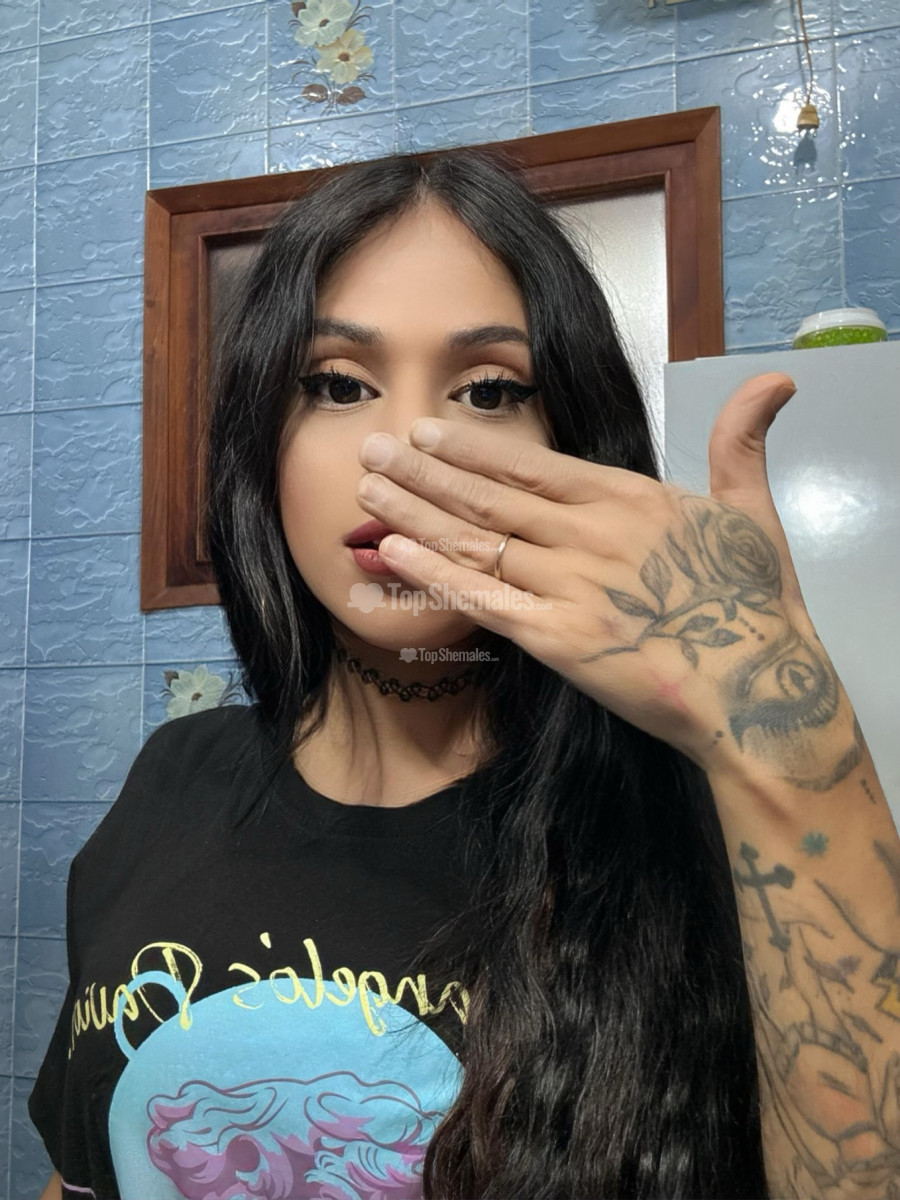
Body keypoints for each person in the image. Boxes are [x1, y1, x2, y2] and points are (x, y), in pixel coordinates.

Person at [29, 150, 899, 1200]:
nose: (403, 449)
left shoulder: (698, 809)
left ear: (572, 444)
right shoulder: (173, 776)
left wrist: (792, 738)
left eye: (488, 391)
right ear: (262, 441)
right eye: (337, 385)